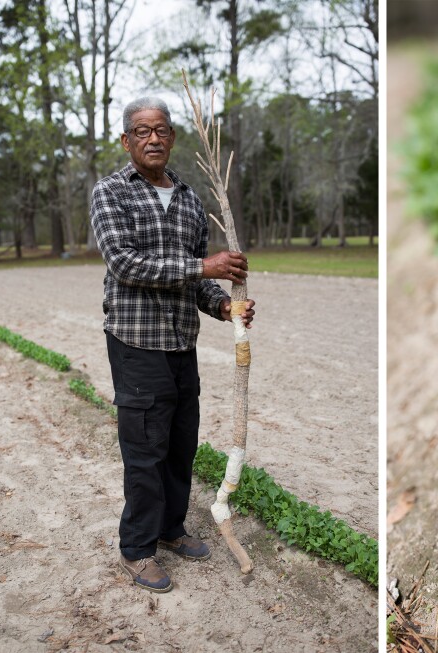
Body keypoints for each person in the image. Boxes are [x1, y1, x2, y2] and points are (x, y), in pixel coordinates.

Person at [90, 96, 255, 593]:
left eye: (161, 130)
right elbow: (126, 264)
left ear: (173, 137)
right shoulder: (111, 193)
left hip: (183, 343)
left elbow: (195, 279)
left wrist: (225, 307)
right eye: (141, 131)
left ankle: (170, 529)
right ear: (126, 140)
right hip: (136, 343)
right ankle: (137, 548)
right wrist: (205, 267)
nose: (153, 138)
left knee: (181, 443)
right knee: (145, 448)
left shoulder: (187, 199)